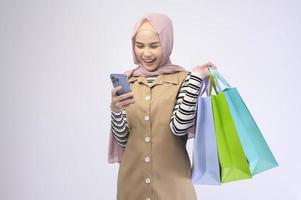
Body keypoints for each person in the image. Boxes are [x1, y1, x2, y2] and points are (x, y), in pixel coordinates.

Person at [108, 13, 217, 200]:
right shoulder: (127, 81)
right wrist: (116, 111)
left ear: (166, 44)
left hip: (173, 187)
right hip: (131, 186)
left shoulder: (184, 79)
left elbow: (179, 127)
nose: (146, 53)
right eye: (139, 46)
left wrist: (196, 80)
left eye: (154, 46)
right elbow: (124, 140)